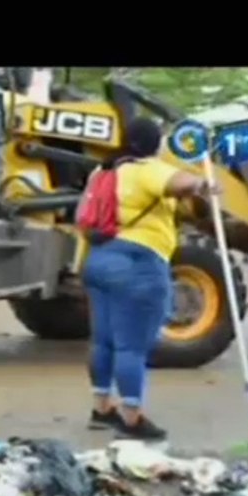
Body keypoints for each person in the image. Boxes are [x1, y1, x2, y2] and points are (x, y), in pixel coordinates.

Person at [81, 117, 219, 441]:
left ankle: (101, 409)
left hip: (99, 260)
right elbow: (179, 184)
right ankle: (131, 418)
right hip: (138, 264)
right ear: (155, 145)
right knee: (132, 346)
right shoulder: (147, 170)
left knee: (102, 340)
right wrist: (202, 184)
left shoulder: (103, 171)